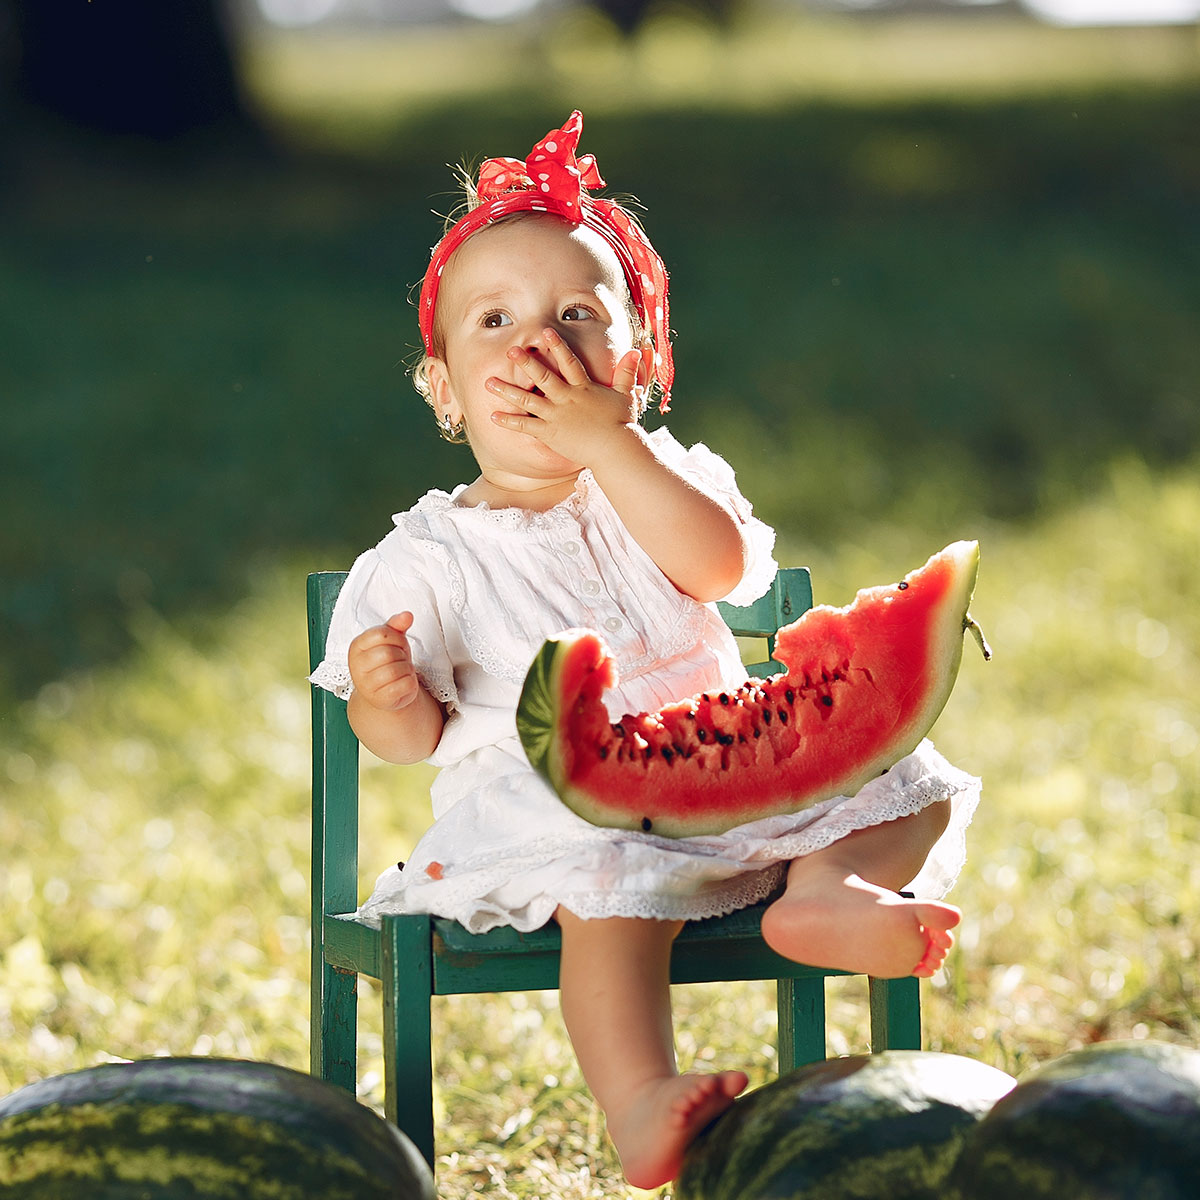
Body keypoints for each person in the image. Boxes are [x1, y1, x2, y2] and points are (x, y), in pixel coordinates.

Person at [310, 111, 980, 1190]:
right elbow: (406, 739)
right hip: (554, 810)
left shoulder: (661, 478)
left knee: (910, 777)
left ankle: (828, 891)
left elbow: (719, 567)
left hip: (735, 774)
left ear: (640, 361)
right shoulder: (427, 556)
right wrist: (384, 697)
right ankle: (638, 1101)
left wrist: (609, 447)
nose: (537, 347)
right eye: (495, 320)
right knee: (610, 883)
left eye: (577, 315)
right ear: (444, 391)